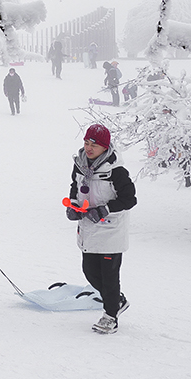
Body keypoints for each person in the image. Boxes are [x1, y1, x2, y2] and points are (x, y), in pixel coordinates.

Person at [66, 124, 137, 334]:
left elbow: (129, 199)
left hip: (110, 231)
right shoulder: (79, 165)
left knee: (109, 276)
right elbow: (75, 187)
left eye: (94, 145)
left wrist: (105, 209)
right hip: (88, 228)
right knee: (90, 272)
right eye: (86, 143)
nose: (88, 148)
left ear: (105, 147)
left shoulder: (116, 171)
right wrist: (73, 206)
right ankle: (116, 300)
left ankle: (110, 316)